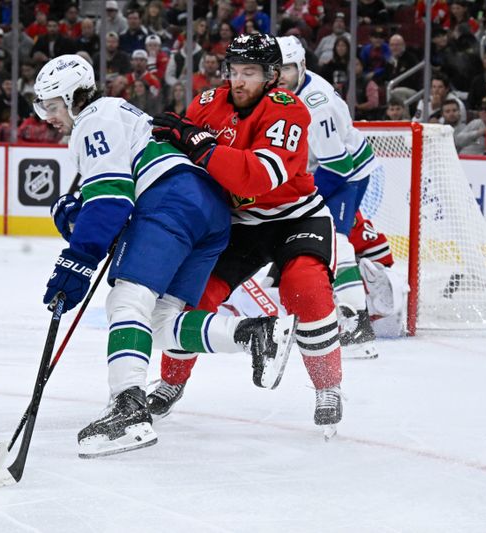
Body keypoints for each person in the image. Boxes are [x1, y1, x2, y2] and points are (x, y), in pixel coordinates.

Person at [32, 55, 297, 457]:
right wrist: (81, 216)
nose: (47, 116)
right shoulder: (118, 113)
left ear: (73, 98)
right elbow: (112, 198)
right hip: (208, 211)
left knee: (127, 298)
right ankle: (254, 334)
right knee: (162, 321)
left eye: (52, 106)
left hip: (171, 200)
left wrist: (76, 262)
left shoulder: (93, 120)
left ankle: (128, 407)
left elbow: (110, 200)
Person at [150, 34, 344, 436]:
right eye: (234, 72)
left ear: (272, 76)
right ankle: (171, 381)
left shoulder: (290, 111)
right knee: (194, 295)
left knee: (305, 289)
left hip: (297, 218)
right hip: (239, 224)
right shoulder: (207, 104)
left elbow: (256, 178)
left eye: (250, 73)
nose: (239, 81)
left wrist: (200, 147)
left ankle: (328, 387)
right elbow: (182, 157)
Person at [276, 35, 380, 358]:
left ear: (302, 67)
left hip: (347, 176)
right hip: (323, 169)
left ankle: (357, 324)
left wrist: (300, 196)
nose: (281, 76)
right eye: (276, 69)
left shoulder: (316, 104)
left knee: (333, 239)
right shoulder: (281, 92)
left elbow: (339, 167)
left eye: (288, 69)